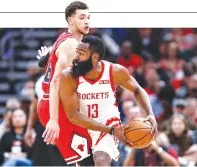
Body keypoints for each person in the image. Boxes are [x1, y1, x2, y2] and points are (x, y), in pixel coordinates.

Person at [58, 35, 157, 166]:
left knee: (101, 160)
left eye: (81, 53)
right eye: (77, 51)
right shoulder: (68, 76)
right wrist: (109, 130)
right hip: (81, 124)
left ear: (94, 57)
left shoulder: (115, 71)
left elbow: (137, 90)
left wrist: (150, 114)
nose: (76, 57)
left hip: (108, 122)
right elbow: (73, 115)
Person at [37, 1, 94, 165]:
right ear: (70, 21)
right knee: (85, 160)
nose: (87, 21)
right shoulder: (71, 45)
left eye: (88, 17)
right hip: (57, 106)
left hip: (54, 103)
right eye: (81, 17)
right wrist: (54, 119)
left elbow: (52, 61)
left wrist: (45, 61)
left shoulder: (67, 40)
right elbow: (55, 82)